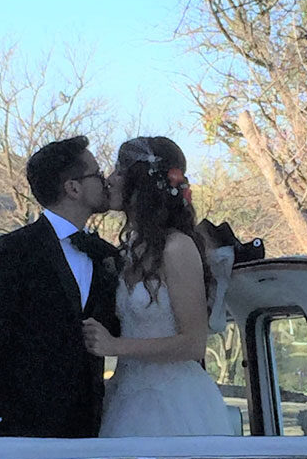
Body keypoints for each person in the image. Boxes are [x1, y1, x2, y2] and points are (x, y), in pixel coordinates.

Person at [0, 136, 120, 437]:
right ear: (72, 188)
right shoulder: (13, 251)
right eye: (97, 175)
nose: (105, 182)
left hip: (87, 429)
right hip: (20, 428)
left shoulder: (105, 255)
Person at [82, 136, 234, 437]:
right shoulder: (129, 250)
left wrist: (115, 346)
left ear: (141, 183)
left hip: (173, 405)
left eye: (119, 171)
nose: (110, 180)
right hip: (125, 396)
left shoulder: (178, 247)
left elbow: (193, 344)